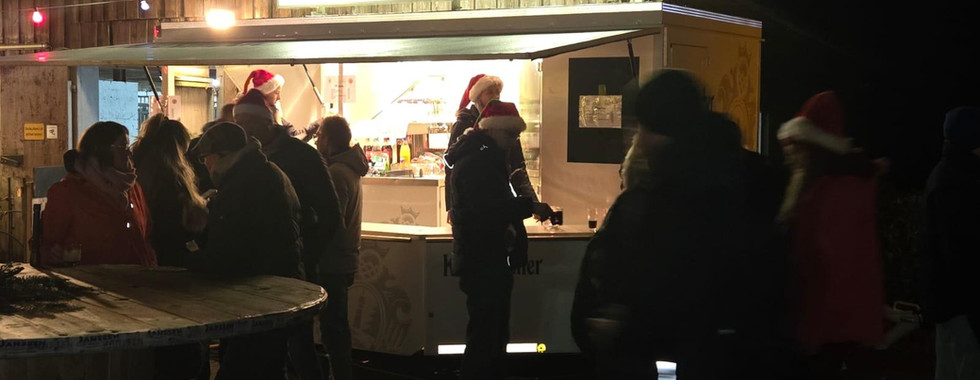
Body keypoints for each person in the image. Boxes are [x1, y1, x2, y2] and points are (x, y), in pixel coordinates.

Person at [571, 70, 776, 379]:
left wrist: (620, 324)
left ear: (656, 129)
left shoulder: (661, 196)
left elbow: (656, 280)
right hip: (748, 349)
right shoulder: (755, 179)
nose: (638, 138)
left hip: (689, 351)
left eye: (642, 127)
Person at [777, 91, 888, 378]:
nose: (789, 155)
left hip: (824, 328)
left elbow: (821, 265)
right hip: (844, 327)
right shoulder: (851, 186)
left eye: (795, 147)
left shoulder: (823, 194)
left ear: (813, 148)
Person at [236, 89, 341, 380]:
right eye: (238, 121)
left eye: (248, 121)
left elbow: (330, 214)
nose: (242, 128)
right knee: (265, 349)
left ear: (267, 122)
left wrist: (306, 256)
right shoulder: (241, 159)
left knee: (298, 345)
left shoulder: (301, 156)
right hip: (252, 271)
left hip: (290, 268)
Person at [188, 122, 302, 379]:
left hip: (263, 297)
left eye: (206, 158)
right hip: (276, 291)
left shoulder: (245, 183)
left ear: (220, 156)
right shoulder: (262, 171)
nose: (205, 165)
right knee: (269, 367)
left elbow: (234, 249)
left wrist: (194, 261)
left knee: (243, 369)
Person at [445, 97, 546, 380]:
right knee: (487, 336)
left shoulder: (476, 155)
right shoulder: (481, 160)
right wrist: (530, 206)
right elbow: (491, 208)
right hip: (484, 259)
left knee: (486, 334)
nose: (514, 140)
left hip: (480, 257)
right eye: (511, 134)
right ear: (492, 129)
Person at [41, 121, 157, 267]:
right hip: (93, 284)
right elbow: (46, 244)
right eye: (122, 147)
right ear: (101, 151)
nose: (129, 153)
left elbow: (147, 235)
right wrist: (53, 254)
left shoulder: (133, 188)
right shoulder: (69, 192)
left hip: (137, 284)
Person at [446, 74, 550, 222]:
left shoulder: (504, 126)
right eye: (490, 93)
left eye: (498, 92)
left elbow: (518, 167)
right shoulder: (466, 127)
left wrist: (533, 201)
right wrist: (450, 206)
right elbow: (488, 204)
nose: (496, 97)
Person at [924, 106, 980, 380]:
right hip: (963, 309)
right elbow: (963, 255)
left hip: (950, 306)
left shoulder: (946, 175)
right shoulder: (959, 182)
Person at [314, 116, 368, 380]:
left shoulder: (335, 173)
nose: (316, 140)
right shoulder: (349, 169)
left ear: (329, 139)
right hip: (344, 258)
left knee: (332, 329)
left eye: (320, 135)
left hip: (332, 261)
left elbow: (331, 221)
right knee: (336, 326)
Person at [132, 114, 208, 268]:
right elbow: (172, 220)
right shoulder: (170, 175)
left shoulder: (138, 164)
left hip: (145, 246)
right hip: (167, 250)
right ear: (177, 146)